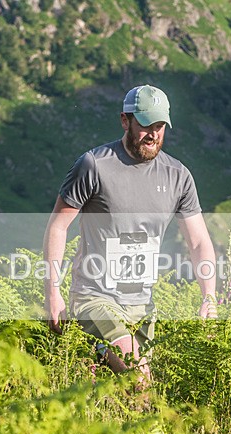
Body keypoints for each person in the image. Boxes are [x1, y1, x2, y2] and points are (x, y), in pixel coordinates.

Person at [43, 84, 217, 384]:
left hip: (142, 305)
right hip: (94, 297)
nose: (153, 134)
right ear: (126, 121)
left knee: (130, 398)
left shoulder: (178, 176)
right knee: (139, 377)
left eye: (160, 126)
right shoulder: (94, 165)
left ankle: (95, 356)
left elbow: (199, 241)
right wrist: (53, 293)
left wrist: (209, 298)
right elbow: (58, 226)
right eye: (146, 125)